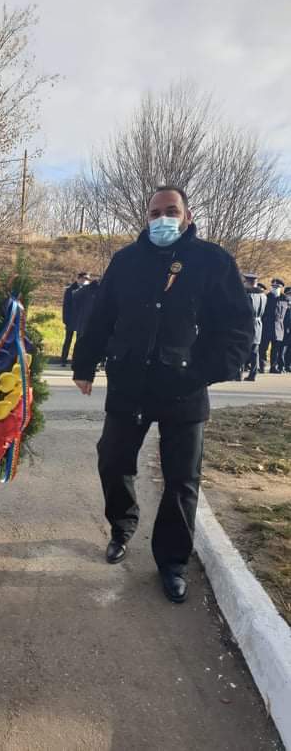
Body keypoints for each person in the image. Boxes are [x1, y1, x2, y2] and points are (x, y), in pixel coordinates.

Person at [73, 186, 253, 604]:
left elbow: (237, 326)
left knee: (181, 479)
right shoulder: (126, 261)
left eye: (171, 211)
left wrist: (207, 371)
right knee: (113, 460)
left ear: (187, 216)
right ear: (146, 217)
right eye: (155, 213)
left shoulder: (213, 261)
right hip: (130, 383)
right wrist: (84, 364)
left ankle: (172, 562)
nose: (162, 219)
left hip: (184, 388)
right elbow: (101, 316)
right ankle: (122, 526)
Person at [61, 272, 90, 366]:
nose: (85, 281)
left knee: (79, 341)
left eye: (86, 279)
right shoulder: (70, 290)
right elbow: (66, 306)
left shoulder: (87, 290)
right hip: (71, 318)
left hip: (82, 319)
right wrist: (65, 319)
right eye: (83, 278)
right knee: (68, 340)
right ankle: (63, 359)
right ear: (78, 279)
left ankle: (75, 360)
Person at [242, 273, 267, 382]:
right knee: (255, 351)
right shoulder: (263, 296)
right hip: (258, 324)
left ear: (248, 282)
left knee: (242, 348)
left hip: (247, 323)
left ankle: (238, 373)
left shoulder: (246, 294)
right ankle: (253, 373)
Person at [259, 278, 286, 373]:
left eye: (276, 287)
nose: (274, 288)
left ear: (281, 287)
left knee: (276, 349)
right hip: (266, 327)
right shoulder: (266, 297)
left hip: (278, 328)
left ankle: (273, 367)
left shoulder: (284, 299)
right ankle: (262, 366)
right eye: (273, 286)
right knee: (263, 348)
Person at [283, 287, 291, 373]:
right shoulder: (283, 303)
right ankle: (283, 365)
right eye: (289, 294)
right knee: (284, 348)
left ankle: (288, 365)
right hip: (284, 329)